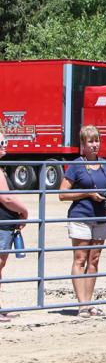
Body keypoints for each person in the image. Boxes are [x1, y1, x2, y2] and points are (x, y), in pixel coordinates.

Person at [59, 125, 106, 317]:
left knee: (94, 259)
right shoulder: (76, 165)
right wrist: (87, 194)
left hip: (100, 216)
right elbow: (62, 194)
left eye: (96, 140)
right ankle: (82, 304)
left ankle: (89, 303)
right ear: (83, 144)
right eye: (90, 141)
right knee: (80, 258)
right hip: (81, 216)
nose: (94, 145)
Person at [0, 131, 29, 322]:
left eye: (5, 142)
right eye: (1, 143)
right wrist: (24, 211)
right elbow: (6, 198)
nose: (5, 145)